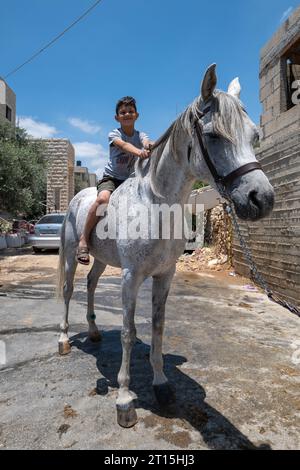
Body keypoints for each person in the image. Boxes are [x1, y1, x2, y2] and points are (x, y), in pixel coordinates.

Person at [77, 96, 152, 265]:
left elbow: (146, 142)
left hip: (131, 180)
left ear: (137, 115)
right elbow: (124, 146)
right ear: (117, 117)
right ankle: (84, 239)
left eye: (130, 111)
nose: (127, 114)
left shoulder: (141, 135)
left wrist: (149, 146)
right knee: (102, 199)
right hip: (112, 178)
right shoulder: (114, 134)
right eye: (123, 112)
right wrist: (140, 152)